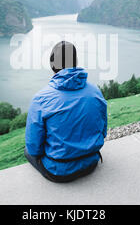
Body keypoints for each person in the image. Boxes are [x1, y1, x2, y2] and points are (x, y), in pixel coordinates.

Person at [24, 41, 107, 182]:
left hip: (58, 171)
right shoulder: (95, 91)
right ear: (75, 62)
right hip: (91, 163)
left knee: (27, 151)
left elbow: (33, 148)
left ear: (52, 64)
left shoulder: (41, 98)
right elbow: (103, 131)